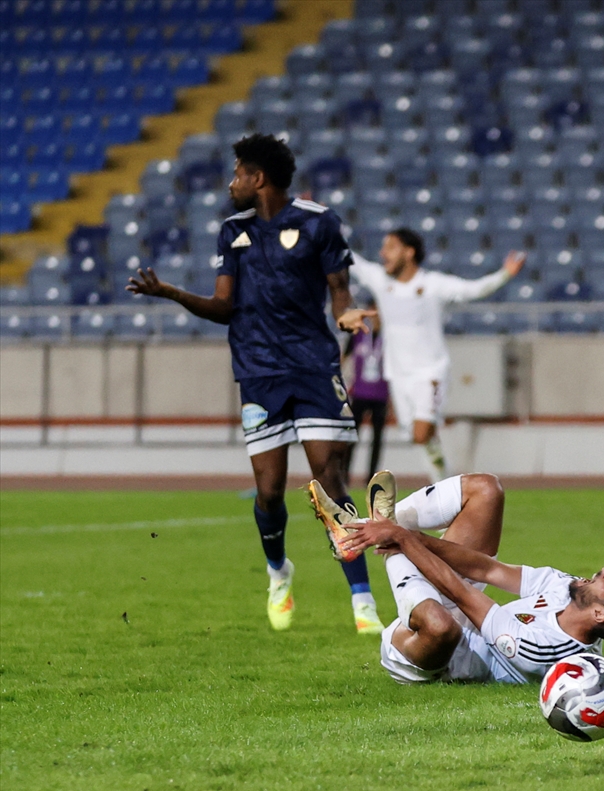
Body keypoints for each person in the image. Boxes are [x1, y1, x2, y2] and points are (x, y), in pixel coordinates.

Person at [125, 133, 383, 635]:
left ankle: (362, 599)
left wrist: (348, 316)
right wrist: (171, 293)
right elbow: (224, 307)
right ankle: (278, 572)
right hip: (259, 372)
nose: (232, 182)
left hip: (313, 367)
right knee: (268, 490)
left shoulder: (318, 222)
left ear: (258, 178)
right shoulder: (232, 232)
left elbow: (340, 292)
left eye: (239, 172)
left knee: (328, 480)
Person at [308, 471, 604, 685]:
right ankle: (367, 526)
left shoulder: (547, 649)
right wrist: (400, 532)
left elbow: (462, 594)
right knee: (487, 490)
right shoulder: (567, 586)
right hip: (460, 607)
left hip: (428, 657)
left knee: (444, 626)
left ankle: (372, 528)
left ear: (600, 615)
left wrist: (401, 539)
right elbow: (486, 569)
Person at [341, 231, 525, 483]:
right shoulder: (380, 280)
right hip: (398, 376)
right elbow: (350, 258)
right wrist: (318, 221)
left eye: (391, 247)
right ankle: (446, 483)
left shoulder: (432, 284)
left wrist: (505, 274)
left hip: (430, 372)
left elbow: (473, 290)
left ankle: (446, 487)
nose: (383, 253)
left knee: (420, 434)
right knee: (421, 440)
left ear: (409, 252)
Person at [343, 298, 389, 485]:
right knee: (352, 437)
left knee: (377, 440)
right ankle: (344, 475)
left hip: (381, 394)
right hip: (360, 393)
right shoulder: (358, 335)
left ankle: (371, 477)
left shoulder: (390, 337)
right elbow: (343, 358)